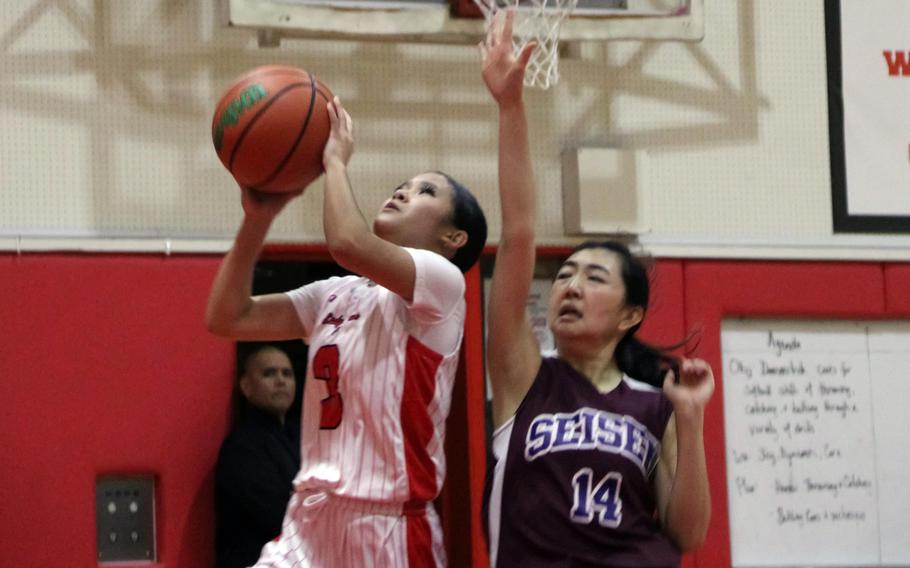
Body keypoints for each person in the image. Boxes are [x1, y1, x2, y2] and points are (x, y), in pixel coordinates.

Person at [205, 95, 488, 567]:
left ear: (452, 238)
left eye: (424, 192)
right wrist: (257, 220)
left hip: (387, 527)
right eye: (402, 185)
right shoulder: (334, 294)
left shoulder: (444, 285)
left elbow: (347, 243)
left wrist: (335, 162)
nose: (401, 192)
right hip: (309, 517)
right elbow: (227, 318)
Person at [481, 10, 714, 567]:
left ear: (630, 315)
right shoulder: (523, 375)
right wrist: (511, 108)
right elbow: (518, 233)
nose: (570, 284)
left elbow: (689, 533)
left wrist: (690, 418)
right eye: (564, 274)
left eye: (593, 277)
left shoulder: (654, 405)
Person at [215, 343, 301, 568]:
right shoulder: (242, 447)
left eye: (287, 373)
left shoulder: (302, 437)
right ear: (246, 386)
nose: (281, 380)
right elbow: (282, 517)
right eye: (269, 373)